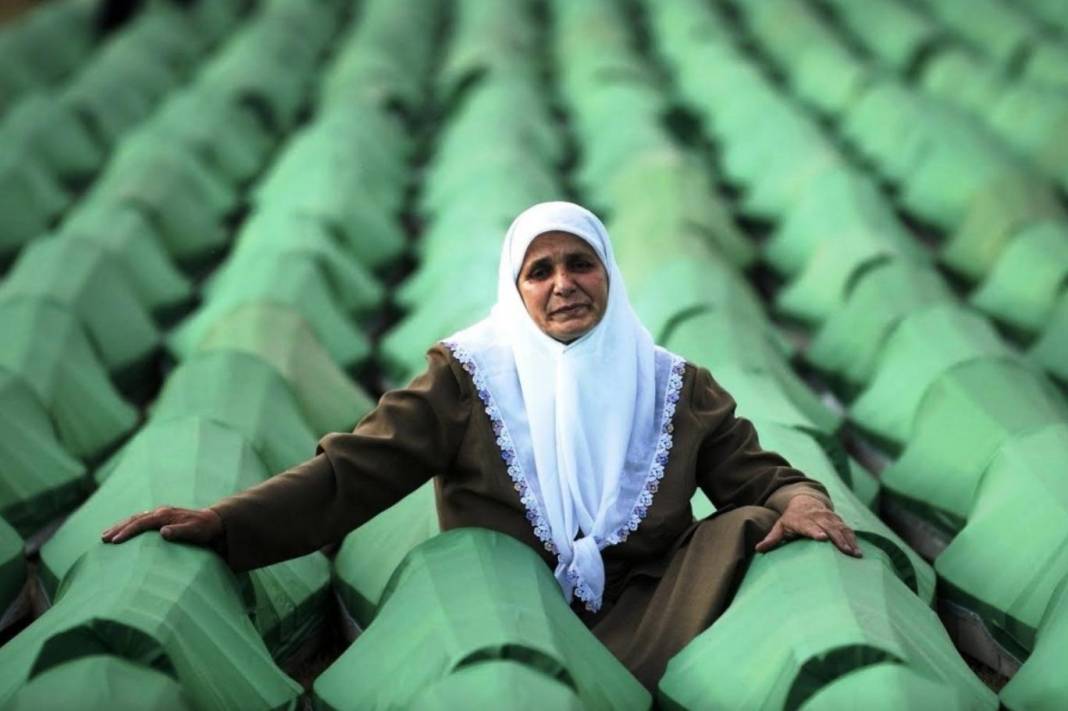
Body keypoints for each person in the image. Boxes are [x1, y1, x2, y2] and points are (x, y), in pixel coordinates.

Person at [102, 201, 860, 688]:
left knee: (759, 527)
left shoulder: (673, 384)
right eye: (541, 270)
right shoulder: (468, 379)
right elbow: (352, 473)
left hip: (650, 605)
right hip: (508, 607)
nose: (563, 283)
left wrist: (803, 501)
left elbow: (761, 477)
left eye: (580, 263)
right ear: (517, 288)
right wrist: (226, 523)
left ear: (609, 274)